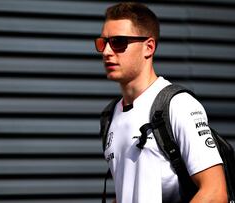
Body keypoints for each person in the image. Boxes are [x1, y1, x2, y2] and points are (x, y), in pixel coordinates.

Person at [95, 2, 227, 203]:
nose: (106, 52)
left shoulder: (177, 105)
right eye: (102, 43)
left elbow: (215, 193)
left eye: (118, 42)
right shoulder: (110, 116)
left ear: (148, 47)